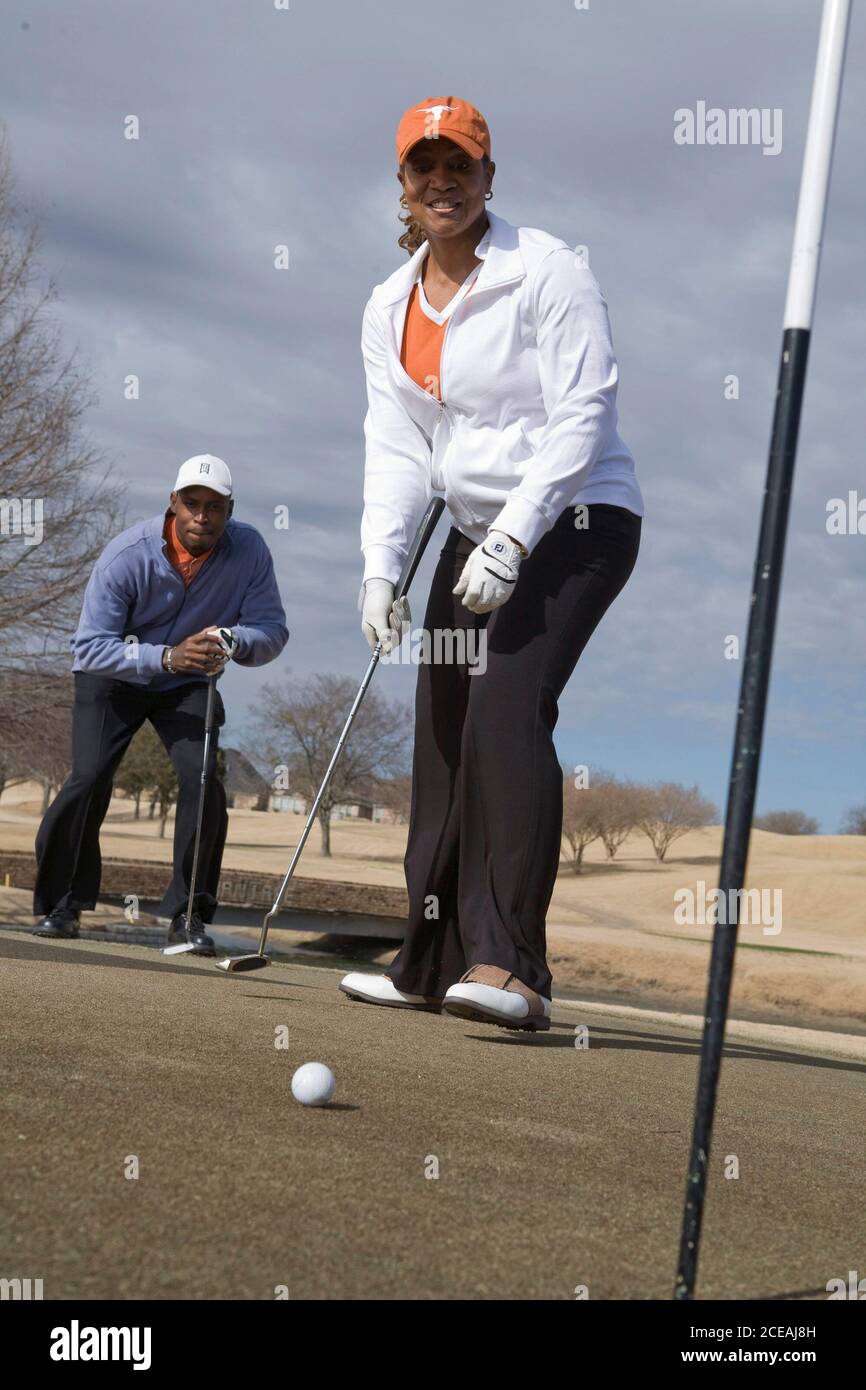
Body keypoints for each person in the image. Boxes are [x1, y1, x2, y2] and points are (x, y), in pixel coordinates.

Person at [341, 96, 643, 1030]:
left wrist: (515, 537)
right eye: (424, 165)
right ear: (402, 182)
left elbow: (582, 413)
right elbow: (395, 447)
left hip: (577, 523)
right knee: (441, 734)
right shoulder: (389, 305)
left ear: (488, 176)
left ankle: (512, 967)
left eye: (460, 163)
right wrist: (381, 567)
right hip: (474, 534)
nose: (443, 180)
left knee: (505, 713)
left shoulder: (548, 272)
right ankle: (428, 962)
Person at [32, 454, 289, 956]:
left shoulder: (250, 550)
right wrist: (167, 656)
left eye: (214, 507)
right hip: (113, 676)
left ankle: (188, 916)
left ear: (229, 510)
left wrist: (235, 640)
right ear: (172, 504)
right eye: (191, 504)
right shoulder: (127, 555)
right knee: (88, 777)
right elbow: (88, 647)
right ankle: (62, 907)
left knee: (204, 778)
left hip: (189, 681)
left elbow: (272, 630)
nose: (202, 516)